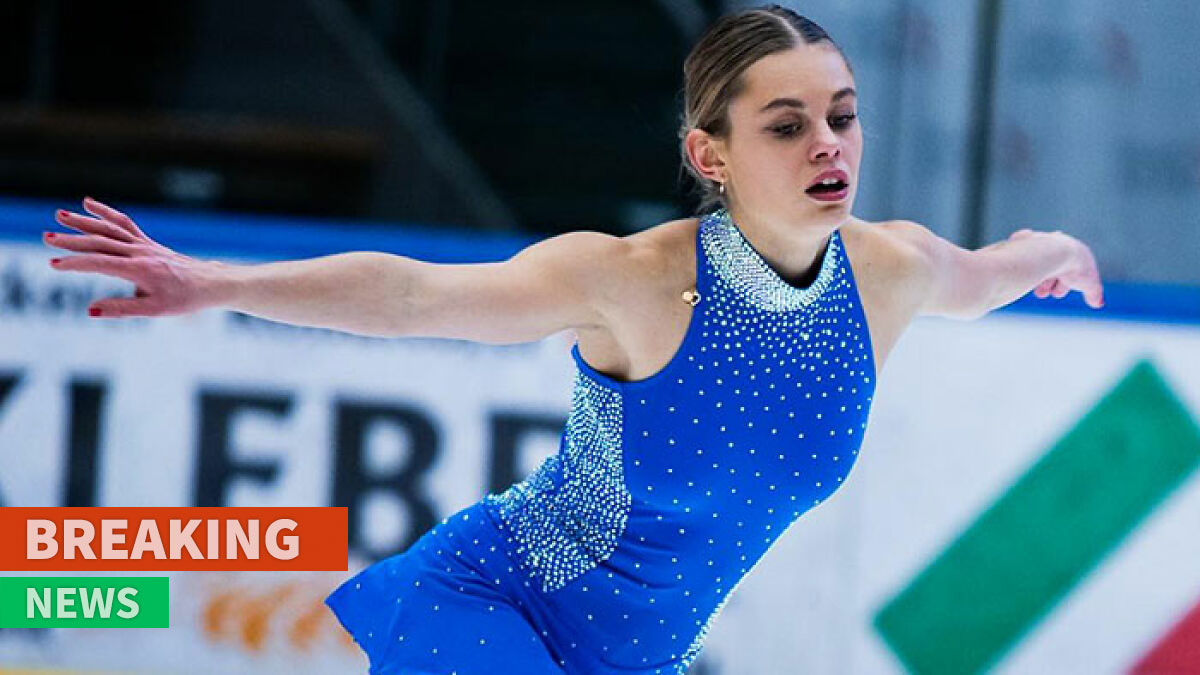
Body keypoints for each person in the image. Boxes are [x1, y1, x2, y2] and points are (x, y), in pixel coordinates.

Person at [41, 5, 1103, 673]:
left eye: (843, 114)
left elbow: (989, 272)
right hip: (490, 604)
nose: (829, 145)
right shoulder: (632, 280)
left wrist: (1056, 245)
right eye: (787, 125)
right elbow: (414, 298)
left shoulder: (891, 271)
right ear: (711, 152)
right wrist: (212, 281)